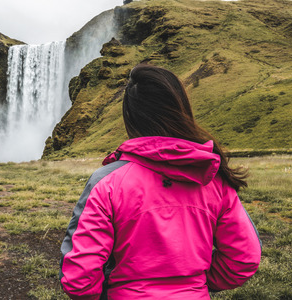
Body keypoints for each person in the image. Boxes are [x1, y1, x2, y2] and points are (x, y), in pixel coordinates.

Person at [59, 64, 261, 299]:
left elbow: (79, 279)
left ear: (130, 117)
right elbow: (244, 258)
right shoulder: (213, 179)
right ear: (182, 110)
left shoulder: (107, 182)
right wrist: (197, 285)